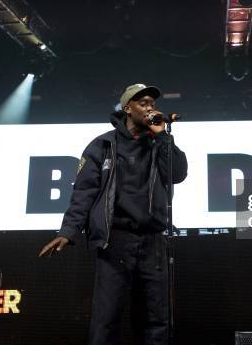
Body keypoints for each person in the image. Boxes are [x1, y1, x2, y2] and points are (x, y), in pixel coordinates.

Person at [39, 83, 188, 345]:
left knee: (156, 317)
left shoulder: (159, 143)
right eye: (143, 103)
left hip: (153, 241)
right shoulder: (103, 146)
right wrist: (67, 232)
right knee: (107, 317)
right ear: (127, 109)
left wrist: (164, 137)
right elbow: (84, 193)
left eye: (152, 103)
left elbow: (178, 174)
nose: (150, 107)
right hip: (115, 239)